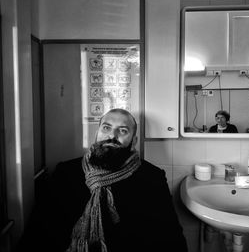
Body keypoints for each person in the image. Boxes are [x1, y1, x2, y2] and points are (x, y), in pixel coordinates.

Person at [18, 108, 188, 252]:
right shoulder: (66, 172)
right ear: (97, 133)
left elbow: (170, 237)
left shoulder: (152, 177)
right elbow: (40, 230)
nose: (112, 136)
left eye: (122, 130)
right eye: (106, 128)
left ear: (134, 141)